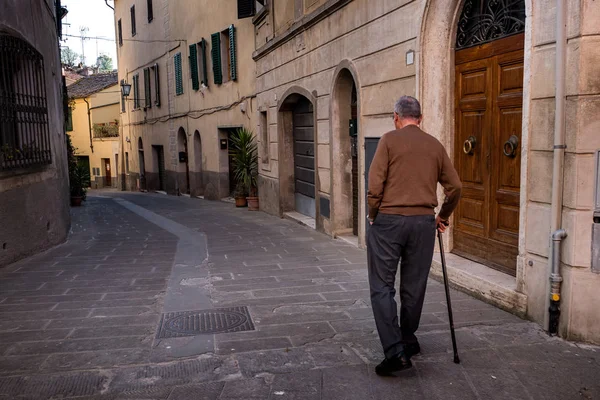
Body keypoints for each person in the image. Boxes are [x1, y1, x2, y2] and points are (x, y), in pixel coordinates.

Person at [367, 96, 462, 377]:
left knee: (382, 286)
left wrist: (374, 214)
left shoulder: (388, 140)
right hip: (423, 223)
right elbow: (455, 186)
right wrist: (442, 217)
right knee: (414, 285)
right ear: (420, 118)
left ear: (396, 117)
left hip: (389, 221)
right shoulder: (434, 145)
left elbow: (375, 186)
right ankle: (408, 339)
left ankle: (395, 350)